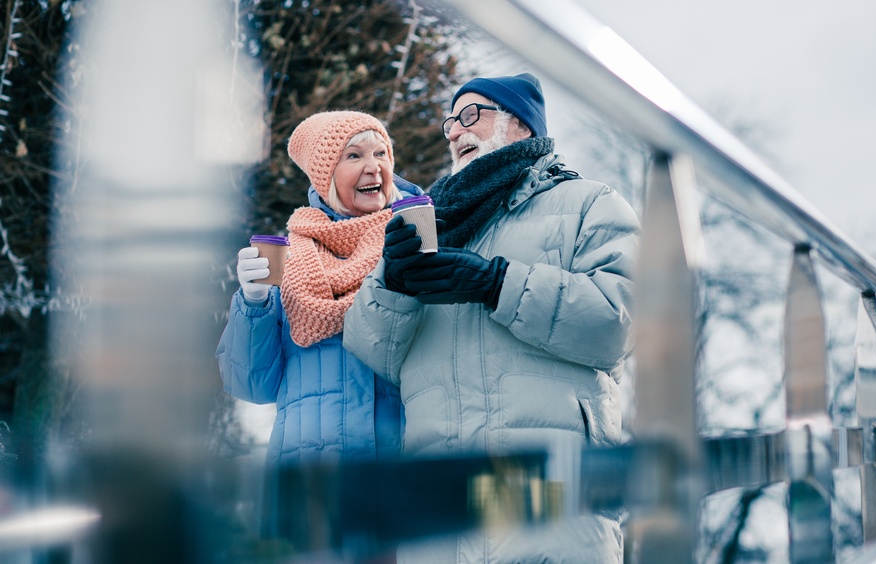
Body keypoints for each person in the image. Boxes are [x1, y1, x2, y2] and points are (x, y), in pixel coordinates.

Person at [344, 73, 641, 563]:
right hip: (440, 524)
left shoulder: (588, 203)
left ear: (520, 124)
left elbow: (620, 321)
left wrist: (498, 283)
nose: (456, 132)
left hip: (553, 511)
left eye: (471, 115)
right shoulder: (428, 225)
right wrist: (391, 283)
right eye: (450, 123)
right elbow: (373, 353)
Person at [215, 110, 418, 542]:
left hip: (400, 472)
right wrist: (253, 303)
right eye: (354, 155)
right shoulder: (288, 261)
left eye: (381, 153)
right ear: (325, 176)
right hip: (309, 484)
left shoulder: (415, 241)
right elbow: (251, 385)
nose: (373, 167)